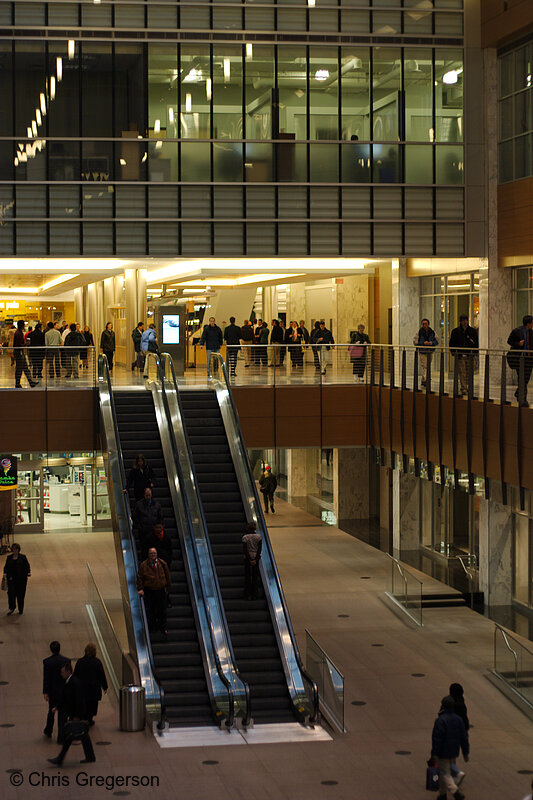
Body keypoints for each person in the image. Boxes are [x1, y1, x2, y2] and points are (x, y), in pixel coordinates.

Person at [48, 661, 96, 766]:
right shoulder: (70, 682)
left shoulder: (74, 683)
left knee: (71, 736)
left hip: (76, 714)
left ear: (68, 671)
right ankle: (90, 756)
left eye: (63, 672)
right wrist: (57, 707)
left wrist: (76, 716)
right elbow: (65, 697)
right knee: (83, 736)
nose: (61, 674)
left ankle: (60, 759)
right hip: (74, 713)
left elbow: (79, 701)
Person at [430, 695, 469, 800]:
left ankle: (455, 792)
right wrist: (465, 752)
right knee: (443, 771)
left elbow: (437, 739)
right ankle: (442, 795)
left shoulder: (440, 720)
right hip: (453, 751)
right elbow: (463, 737)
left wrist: (434, 753)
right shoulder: (459, 719)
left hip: (442, 752)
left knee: (445, 773)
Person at [137, 546, 171, 637]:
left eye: (154, 553)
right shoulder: (144, 565)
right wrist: (140, 588)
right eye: (151, 553)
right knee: (151, 610)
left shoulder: (162, 563)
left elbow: (167, 576)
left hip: (160, 590)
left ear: (156, 554)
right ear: (148, 555)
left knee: (162, 610)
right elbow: (140, 577)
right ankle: (152, 627)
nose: (153, 555)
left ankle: (163, 627)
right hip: (150, 591)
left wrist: (168, 588)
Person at [73, 643, 108, 726]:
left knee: (83, 703)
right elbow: (101, 675)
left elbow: (75, 675)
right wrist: (105, 686)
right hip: (94, 689)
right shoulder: (97, 662)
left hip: (83, 688)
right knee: (92, 705)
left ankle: (83, 717)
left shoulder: (80, 662)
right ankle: (89, 719)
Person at [43, 641, 70, 740]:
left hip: (52, 691)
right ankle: (61, 734)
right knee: (63, 713)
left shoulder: (47, 662)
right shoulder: (66, 660)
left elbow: (46, 678)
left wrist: (45, 691)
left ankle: (49, 730)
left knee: (51, 711)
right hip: (63, 690)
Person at [449, 315, 479, 396]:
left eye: (466, 320)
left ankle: (468, 387)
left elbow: (476, 343)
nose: (465, 322)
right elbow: (452, 343)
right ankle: (464, 388)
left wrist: (475, 353)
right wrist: (454, 352)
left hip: (470, 355)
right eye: (463, 320)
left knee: (470, 372)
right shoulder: (455, 331)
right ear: (460, 322)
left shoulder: (472, 331)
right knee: (462, 372)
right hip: (460, 355)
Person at [507, 315, 533, 406]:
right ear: (528, 323)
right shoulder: (517, 331)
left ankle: (518, 393)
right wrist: (518, 344)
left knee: (525, 379)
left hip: (529, 359)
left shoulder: (531, 332)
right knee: (521, 379)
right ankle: (523, 400)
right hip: (520, 359)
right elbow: (509, 341)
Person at [3, 542, 31, 615]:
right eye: (13, 549)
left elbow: (27, 566)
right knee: (11, 594)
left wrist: (28, 572)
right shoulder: (9, 558)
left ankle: (20, 609)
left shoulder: (23, 557)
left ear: (18, 550)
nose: (15, 551)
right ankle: (12, 608)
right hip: (11, 579)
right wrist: (5, 573)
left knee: (20, 595)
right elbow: (6, 567)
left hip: (21, 580)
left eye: (16, 549)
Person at [414, 318, 438, 387]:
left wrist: (432, 343)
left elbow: (437, 340)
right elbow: (415, 341)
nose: (425, 325)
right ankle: (427, 379)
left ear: (428, 324)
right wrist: (423, 343)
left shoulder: (432, 332)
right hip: (422, 351)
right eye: (423, 324)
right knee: (424, 366)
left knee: (428, 366)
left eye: (426, 324)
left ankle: (424, 380)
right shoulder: (419, 332)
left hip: (430, 351)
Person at [13, 320, 37, 388]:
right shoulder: (18, 333)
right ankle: (18, 383)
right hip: (19, 353)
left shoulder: (19, 332)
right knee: (19, 368)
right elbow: (19, 345)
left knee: (25, 368)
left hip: (20, 352)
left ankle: (30, 382)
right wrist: (25, 344)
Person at [242, 522, 262, 600]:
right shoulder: (259, 537)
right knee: (255, 576)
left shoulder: (245, 537)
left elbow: (245, 550)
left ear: (247, 528)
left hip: (247, 558)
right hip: (256, 557)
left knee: (247, 576)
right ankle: (255, 594)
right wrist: (255, 559)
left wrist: (249, 559)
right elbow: (259, 549)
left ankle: (247, 594)